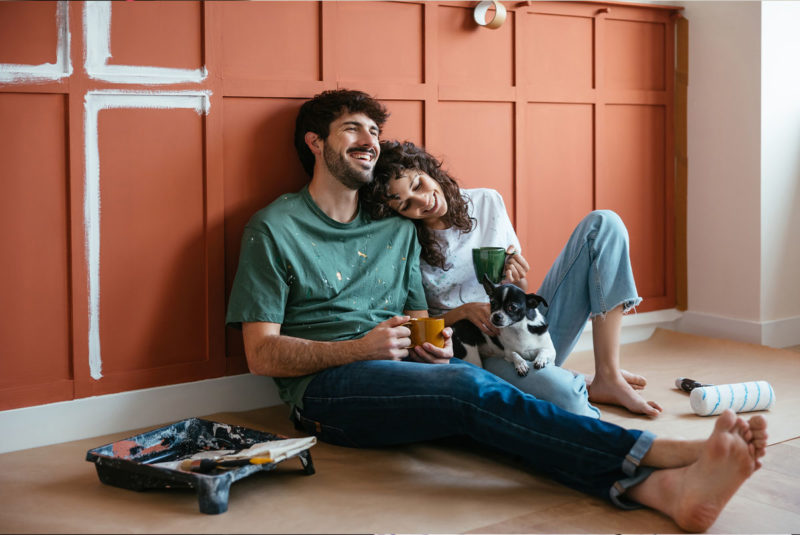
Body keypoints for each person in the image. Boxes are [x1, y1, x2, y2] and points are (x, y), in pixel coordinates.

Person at [226, 88, 768, 533]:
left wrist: (431, 341)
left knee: (495, 413)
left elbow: (420, 318)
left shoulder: (395, 225)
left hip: (409, 370)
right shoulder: (274, 229)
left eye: (374, 130)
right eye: (352, 129)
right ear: (315, 143)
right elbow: (260, 354)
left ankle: (660, 491)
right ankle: (661, 453)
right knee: (475, 392)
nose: (369, 140)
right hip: (329, 390)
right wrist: (360, 348)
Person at [361, 141, 661, 418]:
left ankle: (608, 374)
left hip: (526, 326)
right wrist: (464, 312)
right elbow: (421, 329)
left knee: (604, 223)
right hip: (479, 348)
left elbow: (521, 292)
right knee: (568, 401)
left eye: (418, 184)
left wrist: (514, 277)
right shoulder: (404, 239)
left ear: (426, 169)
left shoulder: (487, 202)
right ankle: (570, 381)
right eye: (405, 204)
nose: (422, 201)